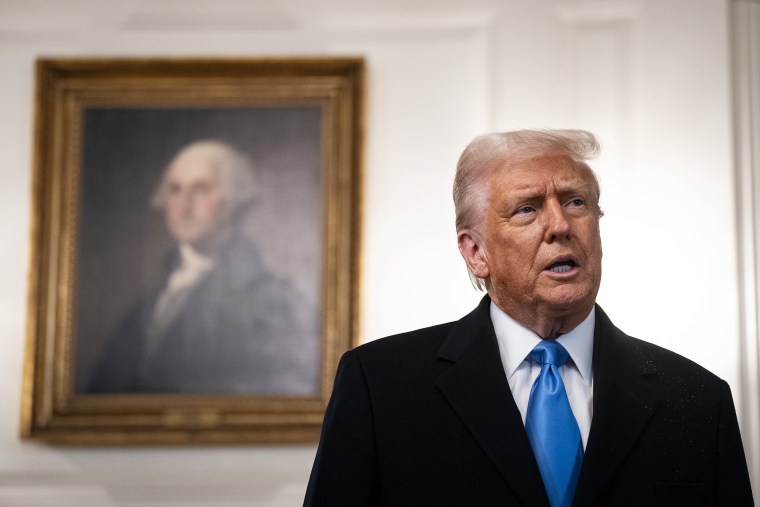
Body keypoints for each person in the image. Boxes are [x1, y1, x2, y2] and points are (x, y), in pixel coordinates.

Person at [304, 130, 754, 506]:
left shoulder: (697, 399)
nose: (560, 225)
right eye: (528, 208)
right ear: (475, 252)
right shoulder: (379, 386)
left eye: (576, 202)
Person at [85, 140, 317, 395]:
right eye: (175, 190)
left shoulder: (270, 297)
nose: (184, 205)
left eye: (201, 189)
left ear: (234, 199)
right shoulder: (157, 291)